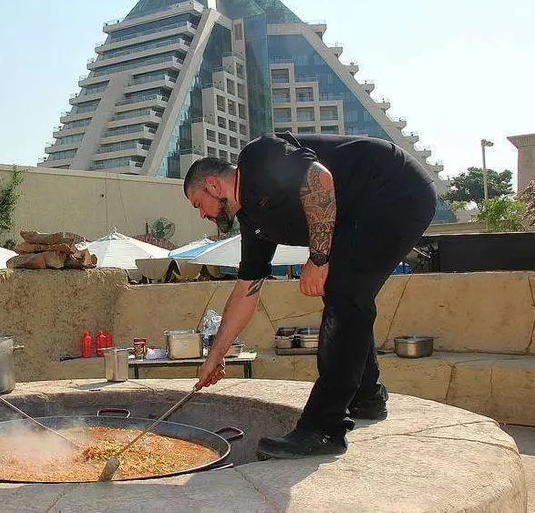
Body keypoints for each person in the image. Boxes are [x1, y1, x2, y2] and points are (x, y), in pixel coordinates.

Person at [185, 132, 437, 460]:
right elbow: (247, 288)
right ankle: (367, 396)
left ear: (213, 185)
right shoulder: (254, 221)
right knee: (347, 295)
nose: (202, 214)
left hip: (395, 188)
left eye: (197, 204)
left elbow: (318, 176)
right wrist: (215, 356)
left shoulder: (258, 159)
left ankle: (323, 429)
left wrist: (318, 258)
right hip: (357, 213)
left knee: (346, 292)